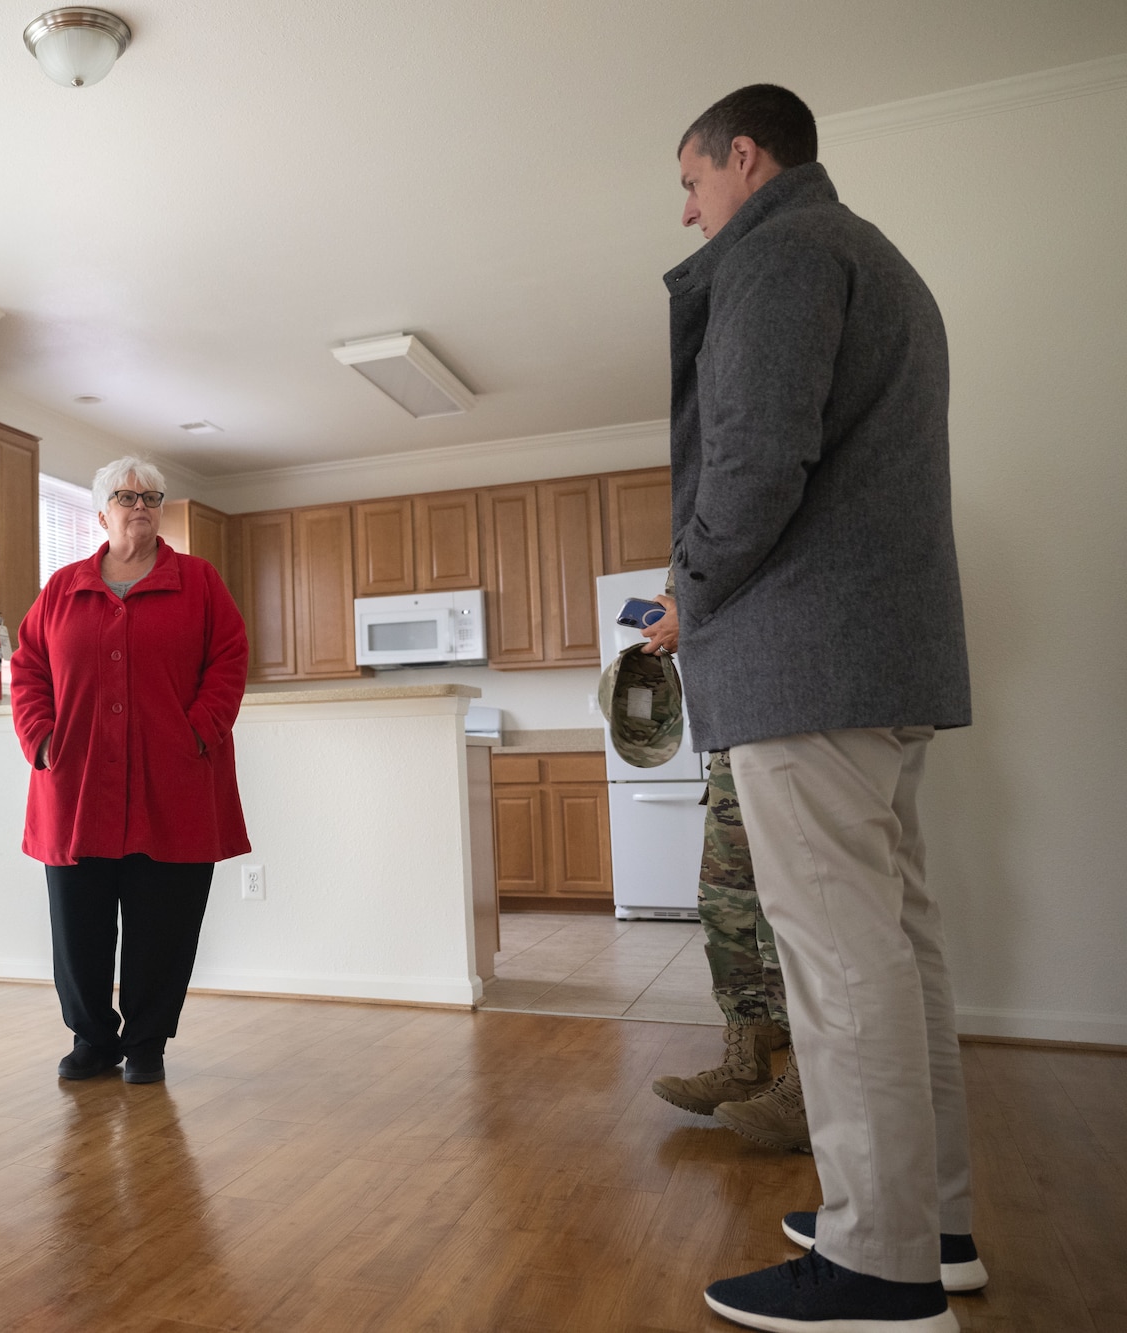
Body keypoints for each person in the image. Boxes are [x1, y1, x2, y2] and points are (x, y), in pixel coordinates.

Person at [662, 85, 982, 1330]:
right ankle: (927, 1222)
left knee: (842, 965)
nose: (687, 212)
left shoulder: (780, 251)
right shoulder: (872, 256)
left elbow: (749, 461)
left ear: (745, 158)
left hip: (807, 672)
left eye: (690, 183)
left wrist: (688, 592)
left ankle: (877, 1269)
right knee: (894, 953)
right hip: (879, 666)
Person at [8, 457, 249, 1085]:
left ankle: (146, 1042)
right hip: (77, 782)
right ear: (101, 512)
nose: (140, 505)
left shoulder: (198, 582)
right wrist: (38, 737)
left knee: (163, 923)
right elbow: (28, 666)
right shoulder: (62, 588)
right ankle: (92, 1038)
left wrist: (198, 730)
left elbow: (229, 660)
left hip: (173, 781)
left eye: (151, 496)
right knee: (78, 923)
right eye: (125, 495)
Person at [643, 585, 808, 1154]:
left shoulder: (742, 509)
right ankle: (747, 1059)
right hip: (731, 731)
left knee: (788, 916)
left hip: (784, 713)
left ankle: (811, 1086)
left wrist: (695, 618)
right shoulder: (702, 519)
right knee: (728, 904)